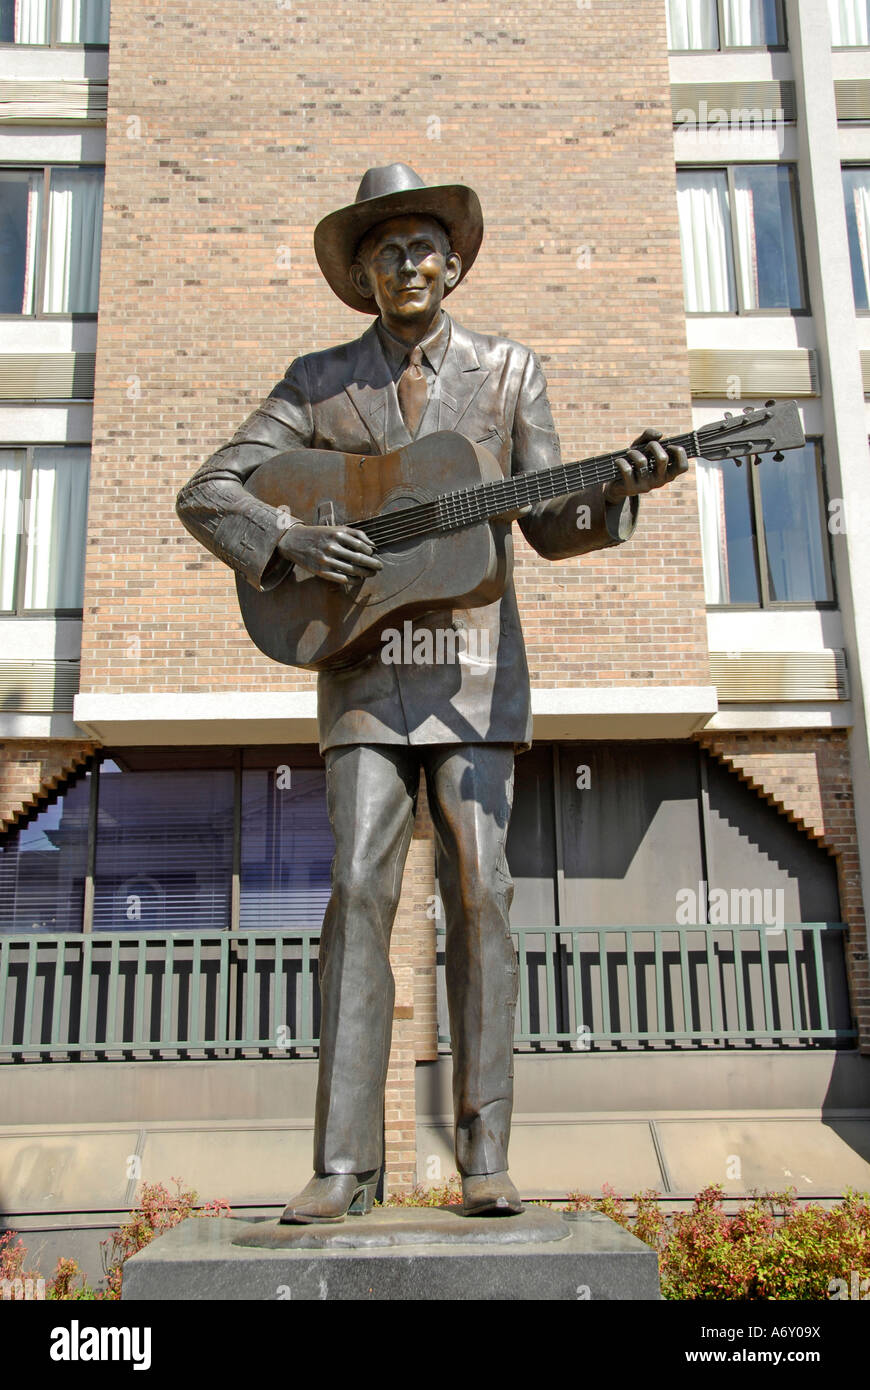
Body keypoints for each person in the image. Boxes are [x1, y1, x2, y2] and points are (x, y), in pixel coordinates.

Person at [176, 163, 687, 1221]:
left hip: (474, 669)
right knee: (357, 889)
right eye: (383, 252)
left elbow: (546, 525)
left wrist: (617, 493)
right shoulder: (315, 383)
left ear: (452, 264)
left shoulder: (509, 374)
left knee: (481, 890)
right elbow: (208, 490)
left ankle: (485, 1153)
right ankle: (341, 1166)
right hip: (362, 670)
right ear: (362, 277)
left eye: (422, 247)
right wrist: (289, 539)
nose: (406, 264)